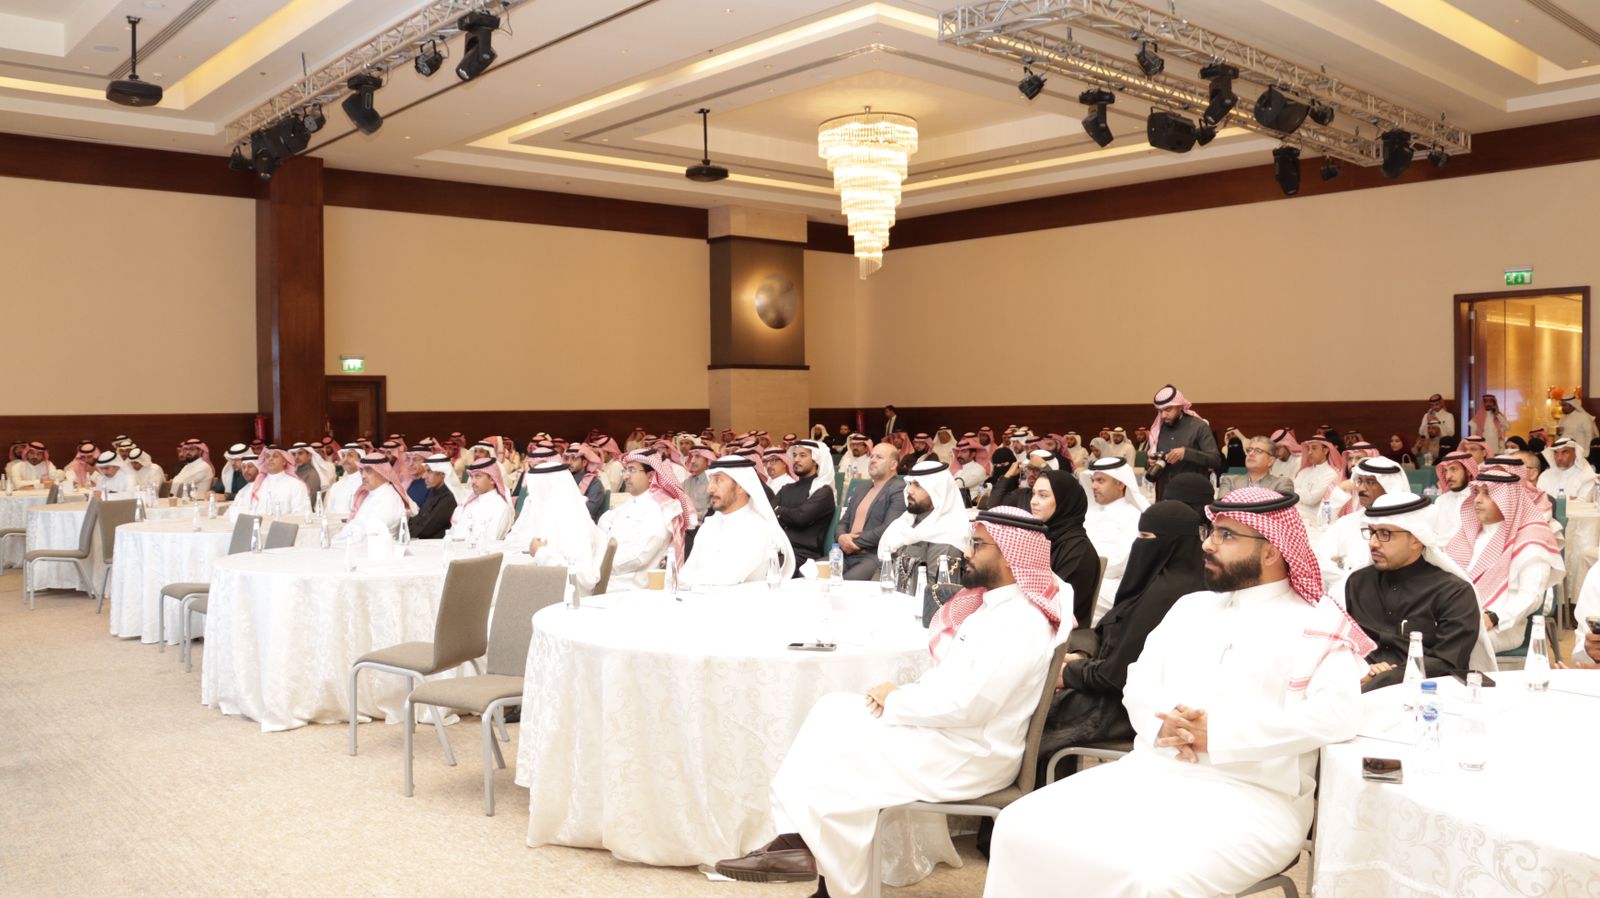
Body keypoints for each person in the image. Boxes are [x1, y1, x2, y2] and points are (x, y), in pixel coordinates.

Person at [984, 488, 1371, 898]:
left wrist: (1217, 736)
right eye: (1211, 531)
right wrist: (1164, 724)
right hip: (1153, 771)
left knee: (1150, 879)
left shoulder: (1318, 622)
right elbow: (1138, 681)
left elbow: (1339, 714)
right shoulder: (1191, 607)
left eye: (1225, 535)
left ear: (1272, 550)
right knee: (1018, 827)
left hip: (1256, 797)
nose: (1207, 544)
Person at [714, 507, 1062, 898]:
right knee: (832, 711)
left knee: (842, 758)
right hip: (954, 733)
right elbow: (954, 685)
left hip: (973, 752)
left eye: (978, 545)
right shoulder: (994, 608)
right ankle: (796, 843)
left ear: (1012, 555)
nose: (967, 552)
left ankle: (823, 875)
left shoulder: (1019, 622)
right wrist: (901, 696)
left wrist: (896, 701)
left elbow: (970, 706)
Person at [1039, 500, 1204, 781]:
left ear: (1172, 544)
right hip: (1112, 686)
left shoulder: (1170, 595)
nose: (1139, 545)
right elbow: (1108, 630)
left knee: (1037, 718)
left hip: (1128, 708)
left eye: (1146, 537)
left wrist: (1069, 673)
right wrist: (1081, 657)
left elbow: (1118, 676)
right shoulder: (1164, 581)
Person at [1336, 492, 1482, 691]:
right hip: (1353, 688)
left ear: (1416, 539)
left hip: (1424, 694)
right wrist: (1361, 670)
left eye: (1385, 533)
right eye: (1372, 532)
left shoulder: (1454, 593)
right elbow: (1337, 644)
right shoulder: (1356, 584)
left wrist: (1384, 678)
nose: (1373, 543)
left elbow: (1447, 661)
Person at [1445, 466, 1564, 653]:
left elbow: (1531, 596)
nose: (1477, 500)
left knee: (1452, 642)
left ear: (1507, 499)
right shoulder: (1469, 534)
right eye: (1477, 492)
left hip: (1503, 627)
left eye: (1487, 494)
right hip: (1458, 618)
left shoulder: (1531, 539)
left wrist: (1494, 616)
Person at [679, 456, 795, 587]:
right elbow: (686, 571)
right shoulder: (709, 525)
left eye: (718, 480)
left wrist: (683, 580)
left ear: (741, 487)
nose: (710, 489)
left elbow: (726, 577)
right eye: (710, 481)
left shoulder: (758, 528)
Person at [597, 450, 695, 589]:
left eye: (632, 470)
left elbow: (641, 556)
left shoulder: (660, 508)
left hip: (632, 586)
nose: (625, 476)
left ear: (650, 476)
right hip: (610, 576)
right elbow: (604, 521)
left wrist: (603, 564)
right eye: (625, 470)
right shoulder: (631, 502)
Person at [506, 459, 608, 591]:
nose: (533, 496)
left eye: (537, 490)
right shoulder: (553, 516)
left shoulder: (574, 522)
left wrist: (541, 554)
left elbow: (585, 579)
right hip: (548, 585)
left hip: (567, 596)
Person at [1315, 457, 1411, 583]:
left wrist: (1342, 563)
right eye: (1359, 481)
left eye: (1370, 482)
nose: (1361, 489)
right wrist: (1352, 577)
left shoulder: (1405, 527)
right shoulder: (1346, 522)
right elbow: (1322, 560)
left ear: (1390, 487)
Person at [877, 460, 972, 587]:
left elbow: (935, 589)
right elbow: (883, 567)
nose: (909, 490)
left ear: (938, 492)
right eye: (910, 483)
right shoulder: (905, 521)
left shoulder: (948, 534)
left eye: (918, 485)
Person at [1030, 468, 1103, 630]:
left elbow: (1055, 606)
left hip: (1057, 631)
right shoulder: (1044, 537)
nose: (1033, 501)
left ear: (1065, 501)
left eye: (1043, 495)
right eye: (1033, 494)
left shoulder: (1078, 551)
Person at [1082, 457, 1151, 625]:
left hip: (1114, 584)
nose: (1093, 486)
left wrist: (1081, 567)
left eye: (1100, 481)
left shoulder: (1133, 516)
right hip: (1089, 576)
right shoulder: (1090, 512)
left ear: (1120, 483)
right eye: (1093, 480)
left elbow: (1119, 564)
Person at [835, 443, 906, 581]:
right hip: (845, 553)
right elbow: (844, 521)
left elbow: (888, 528)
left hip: (874, 555)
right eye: (872, 456)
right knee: (812, 574)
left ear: (893, 465)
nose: (872, 460)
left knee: (846, 584)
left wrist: (853, 542)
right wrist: (841, 537)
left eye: (879, 457)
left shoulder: (899, 489)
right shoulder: (861, 487)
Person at [1145, 385, 1222, 495]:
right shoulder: (1157, 430)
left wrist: (1186, 453)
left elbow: (1215, 460)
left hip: (1193, 495)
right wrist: (1149, 463)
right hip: (1165, 495)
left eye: (1168, 409)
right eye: (1160, 411)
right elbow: (1148, 462)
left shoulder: (1199, 427)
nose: (1163, 415)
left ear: (1180, 406)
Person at [334, 453, 412, 544]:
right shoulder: (371, 494)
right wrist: (336, 539)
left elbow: (370, 534)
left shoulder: (388, 498)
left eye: (368, 471)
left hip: (376, 550)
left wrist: (338, 542)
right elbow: (353, 525)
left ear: (383, 473)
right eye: (362, 471)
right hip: (356, 546)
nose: (363, 476)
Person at [230, 447, 310, 519]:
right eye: (267, 456)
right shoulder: (256, 485)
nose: (270, 459)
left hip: (283, 528)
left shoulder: (296, 485)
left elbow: (300, 516)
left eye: (275, 456)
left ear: (284, 462)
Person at [446, 458, 514, 542]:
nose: (473, 481)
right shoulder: (470, 503)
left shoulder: (501, 507)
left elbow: (490, 542)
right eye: (471, 476)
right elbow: (454, 532)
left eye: (478, 476)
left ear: (492, 480)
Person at [1292, 436, 1342, 530]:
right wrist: (1300, 492)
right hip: (1295, 517)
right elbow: (1290, 494)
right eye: (1308, 449)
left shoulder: (1331, 474)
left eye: (1314, 448)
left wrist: (1296, 490)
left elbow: (1311, 500)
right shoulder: (1304, 471)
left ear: (1325, 451)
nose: (1309, 452)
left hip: (1312, 523)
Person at [1218, 435, 1294, 495]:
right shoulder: (1230, 481)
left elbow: (1281, 509)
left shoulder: (1281, 484)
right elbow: (1222, 508)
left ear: (1270, 461)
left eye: (1258, 451)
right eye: (1249, 450)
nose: (1251, 454)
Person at [407, 454, 458, 540]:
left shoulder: (449, 498)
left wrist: (406, 532)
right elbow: (419, 518)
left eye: (429, 471)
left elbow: (426, 530)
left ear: (442, 474)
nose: (424, 476)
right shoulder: (434, 492)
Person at [1430, 451, 1478, 541]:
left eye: (1454, 469)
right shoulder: (1441, 500)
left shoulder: (1478, 500)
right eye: (1446, 470)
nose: (1448, 476)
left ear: (1468, 471)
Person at [1537, 437, 1599, 501]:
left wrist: (1550, 500)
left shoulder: (1586, 476)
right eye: (1556, 453)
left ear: (1575, 453)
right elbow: (1538, 500)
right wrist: (1568, 498)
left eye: (1565, 452)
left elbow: (1583, 502)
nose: (1559, 458)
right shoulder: (1545, 475)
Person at [564, 445, 606, 522]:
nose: (569, 462)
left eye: (574, 459)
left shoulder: (594, 483)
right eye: (567, 458)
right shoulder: (564, 479)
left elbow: (589, 511)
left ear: (584, 463)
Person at [324, 443, 365, 516]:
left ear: (360, 459)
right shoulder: (337, 485)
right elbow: (328, 513)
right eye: (343, 456)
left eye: (350, 455)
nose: (345, 459)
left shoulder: (366, 484)